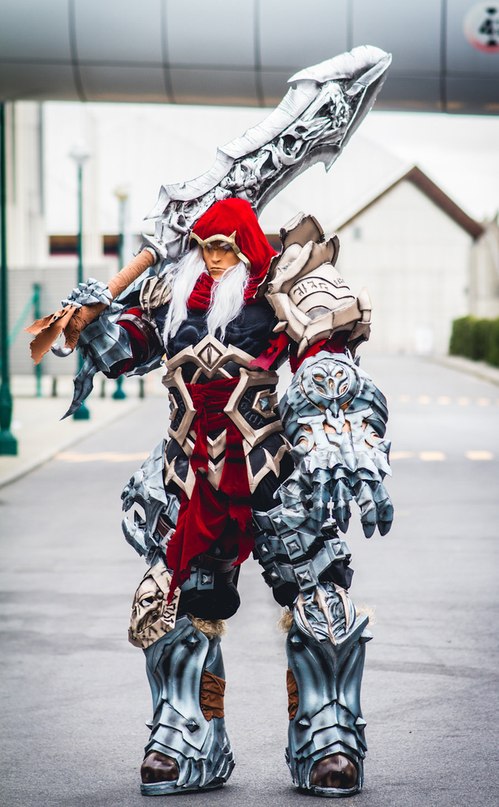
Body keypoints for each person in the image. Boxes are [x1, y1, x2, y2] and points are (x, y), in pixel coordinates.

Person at [29, 196, 393, 797]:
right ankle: (188, 736)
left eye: (225, 247)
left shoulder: (286, 288)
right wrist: (95, 322)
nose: (215, 258)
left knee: (321, 604)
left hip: (271, 468)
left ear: (246, 246)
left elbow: (328, 360)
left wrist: (338, 431)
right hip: (190, 473)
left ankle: (327, 736)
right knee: (171, 606)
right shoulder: (171, 295)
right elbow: (128, 349)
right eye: (205, 248)